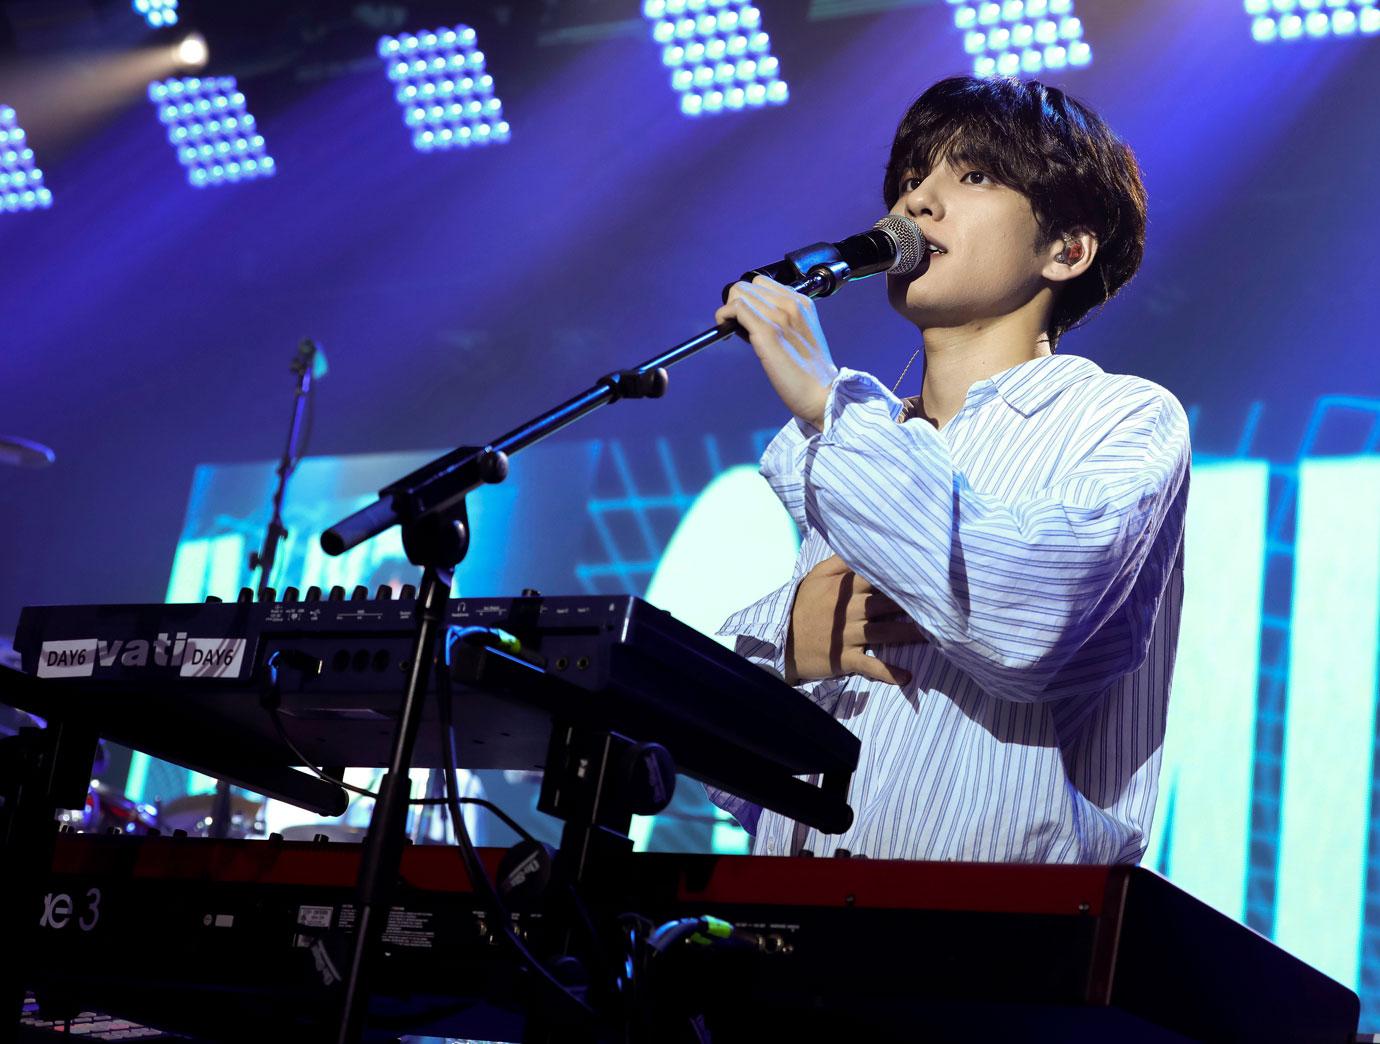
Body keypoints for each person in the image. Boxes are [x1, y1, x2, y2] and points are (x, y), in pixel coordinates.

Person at [708, 76, 1189, 864]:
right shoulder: (863, 448)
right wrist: (784, 646)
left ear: (1066, 250)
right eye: (909, 181)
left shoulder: (1121, 419)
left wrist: (831, 405)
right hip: (795, 927)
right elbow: (737, 785)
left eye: (973, 177)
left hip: (997, 949)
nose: (917, 205)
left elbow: (1025, 627)